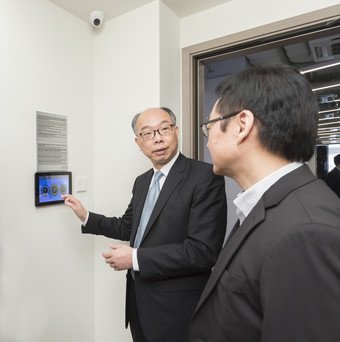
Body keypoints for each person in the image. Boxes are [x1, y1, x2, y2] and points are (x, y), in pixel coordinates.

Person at [189, 64, 340, 342]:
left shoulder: (304, 232)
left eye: (208, 127)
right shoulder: (274, 204)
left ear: (241, 125)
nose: (207, 141)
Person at [63, 107, 227, 342]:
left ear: (176, 131)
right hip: (139, 305)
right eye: (148, 133)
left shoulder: (204, 176)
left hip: (178, 309)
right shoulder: (142, 182)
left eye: (164, 129)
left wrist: (135, 259)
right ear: (138, 142)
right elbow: (128, 227)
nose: (158, 138)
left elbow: (203, 252)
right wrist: (86, 215)